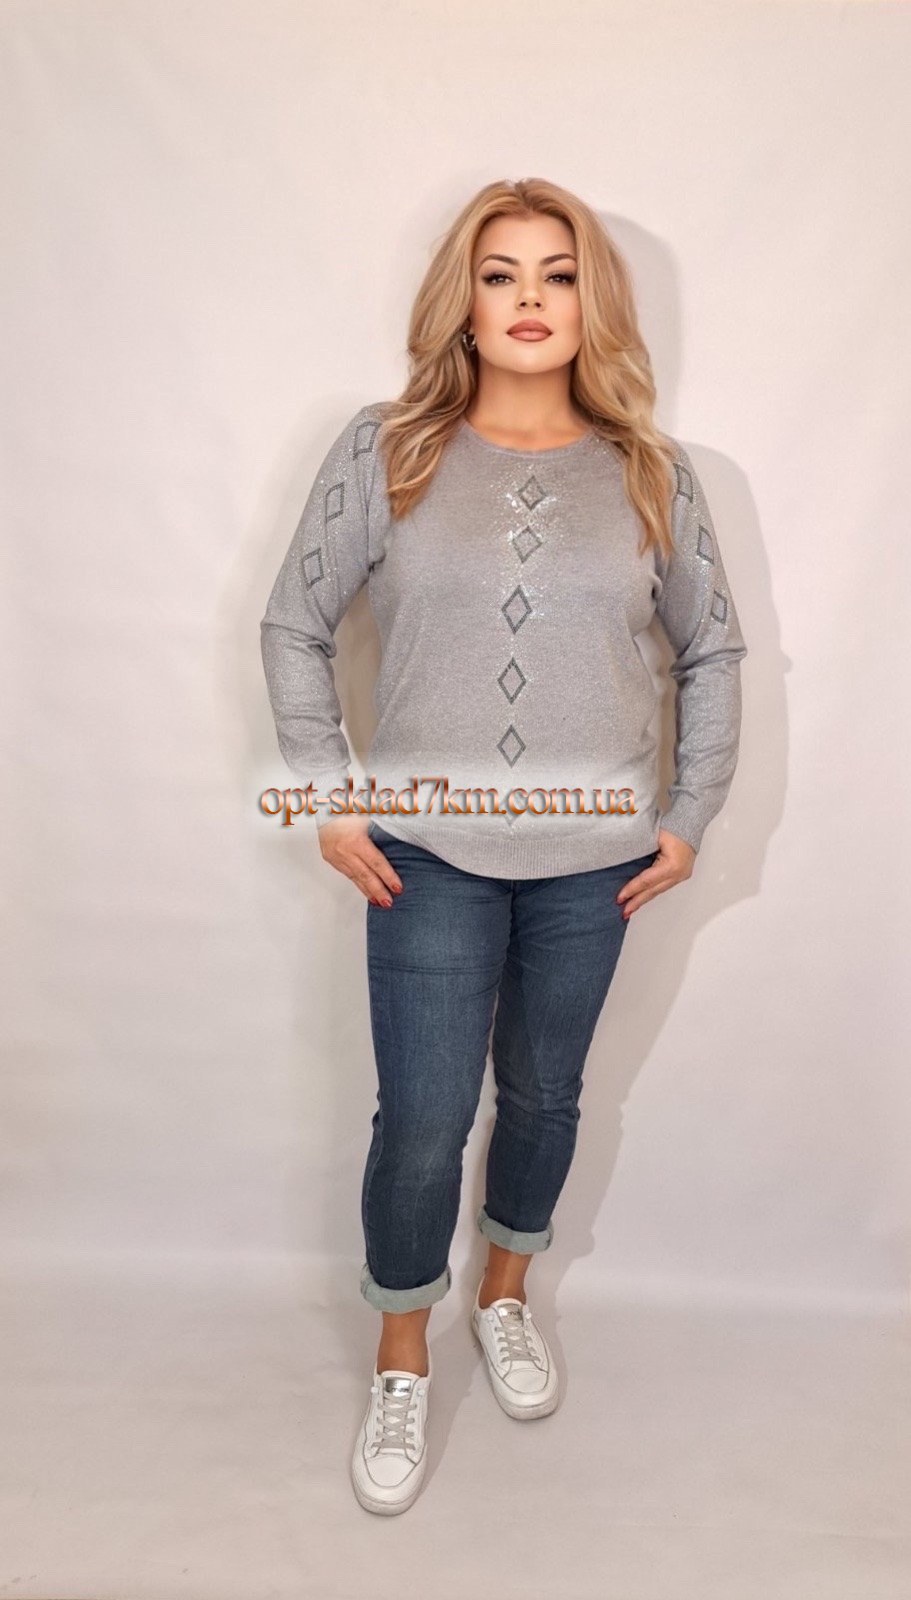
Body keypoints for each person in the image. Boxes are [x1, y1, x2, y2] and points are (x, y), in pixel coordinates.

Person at [259, 176, 747, 1516]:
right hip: (426, 854)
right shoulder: (388, 451)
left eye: (558, 274)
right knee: (423, 1119)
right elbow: (293, 625)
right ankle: (403, 1354)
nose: (530, 300)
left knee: (544, 1097)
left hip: (597, 862)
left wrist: (688, 817)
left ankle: (508, 1295)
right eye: (500, 274)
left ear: (594, 302)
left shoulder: (654, 472)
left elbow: (712, 653)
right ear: (463, 303)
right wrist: (330, 798)